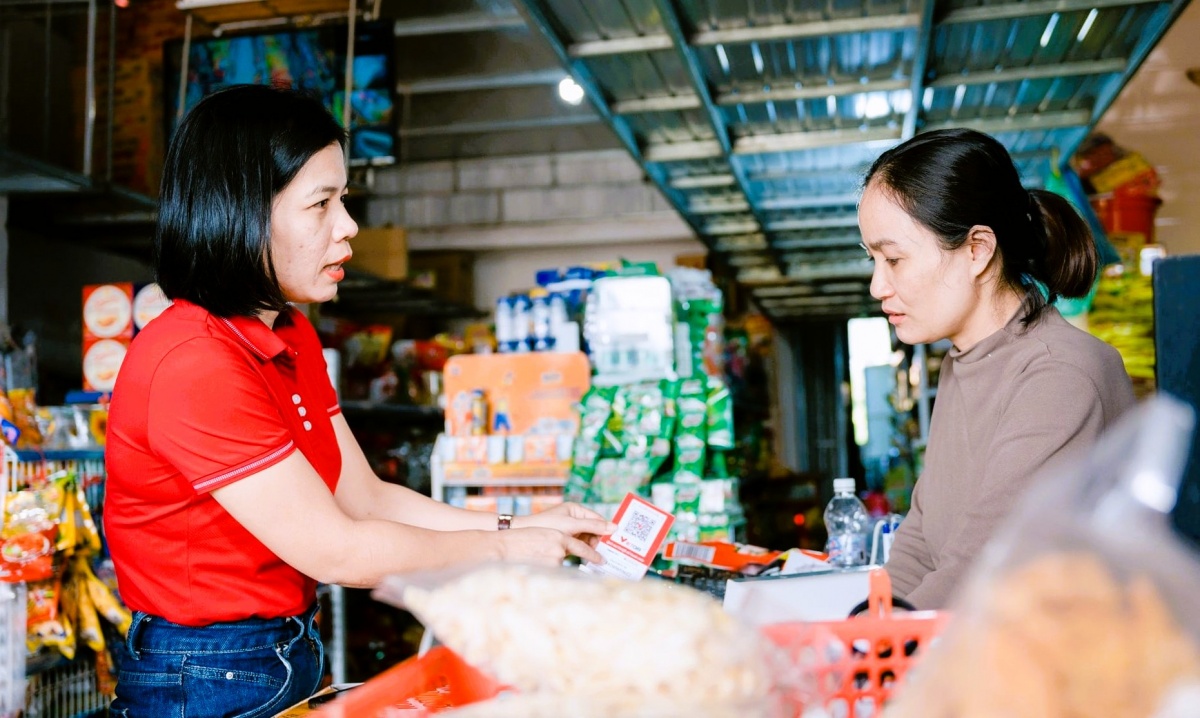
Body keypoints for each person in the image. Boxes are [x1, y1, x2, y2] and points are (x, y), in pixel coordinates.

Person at [103, 84, 613, 718]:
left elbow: (365, 497)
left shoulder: (288, 334)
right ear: (242, 211)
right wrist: (506, 552)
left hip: (280, 652)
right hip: (203, 677)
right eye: (321, 204)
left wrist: (522, 526)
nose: (347, 226)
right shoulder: (193, 361)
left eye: (342, 200)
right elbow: (337, 550)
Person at [859, 128, 1135, 609]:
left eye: (894, 259)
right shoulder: (963, 363)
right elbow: (922, 536)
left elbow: (984, 567)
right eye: (873, 260)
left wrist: (886, 636)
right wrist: (870, 622)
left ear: (977, 250)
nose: (877, 286)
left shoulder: (1058, 375)